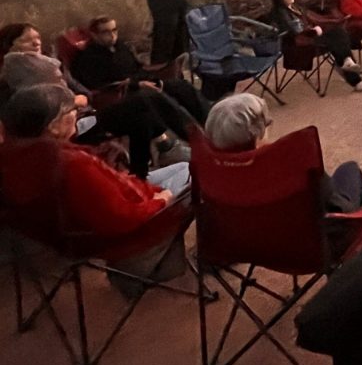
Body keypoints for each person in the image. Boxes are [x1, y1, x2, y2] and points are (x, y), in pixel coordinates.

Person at [0, 83, 191, 236]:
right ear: (53, 126)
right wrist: (162, 199)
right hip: (118, 235)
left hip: (67, 227)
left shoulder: (16, 154)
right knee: (194, 172)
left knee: (183, 165)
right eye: (71, 110)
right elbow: (122, 218)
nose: (76, 113)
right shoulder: (73, 164)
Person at [1, 51, 190, 178]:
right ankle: (188, 139)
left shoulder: (43, 72)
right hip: (76, 126)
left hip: (83, 116)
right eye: (29, 41)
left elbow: (85, 94)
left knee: (141, 113)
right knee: (141, 102)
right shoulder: (27, 97)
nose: (36, 44)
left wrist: (75, 99)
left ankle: (143, 171)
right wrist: (74, 102)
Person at [205, 93, 362, 213]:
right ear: (255, 134)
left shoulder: (213, 172)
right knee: (350, 169)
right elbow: (337, 206)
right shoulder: (291, 160)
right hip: (311, 242)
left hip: (253, 241)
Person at [70, 15, 210, 123]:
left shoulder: (120, 46)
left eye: (114, 30)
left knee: (182, 87)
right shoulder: (88, 58)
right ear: (94, 35)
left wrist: (157, 75)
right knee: (166, 99)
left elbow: (137, 67)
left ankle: (209, 121)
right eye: (105, 32)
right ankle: (190, 133)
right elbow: (99, 87)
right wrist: (136, 84)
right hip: (125, 95)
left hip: (145, 83)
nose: (112, 35)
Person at [268, 0, 362, 92]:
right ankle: (352, 73)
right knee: (338, 38)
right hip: (300, 44)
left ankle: (348, 64)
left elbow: (316, 19)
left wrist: (335, 21)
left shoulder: (295, 7)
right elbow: (295, 32)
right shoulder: (281, 13)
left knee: (339, 33)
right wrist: (314, 31)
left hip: (311, 37)